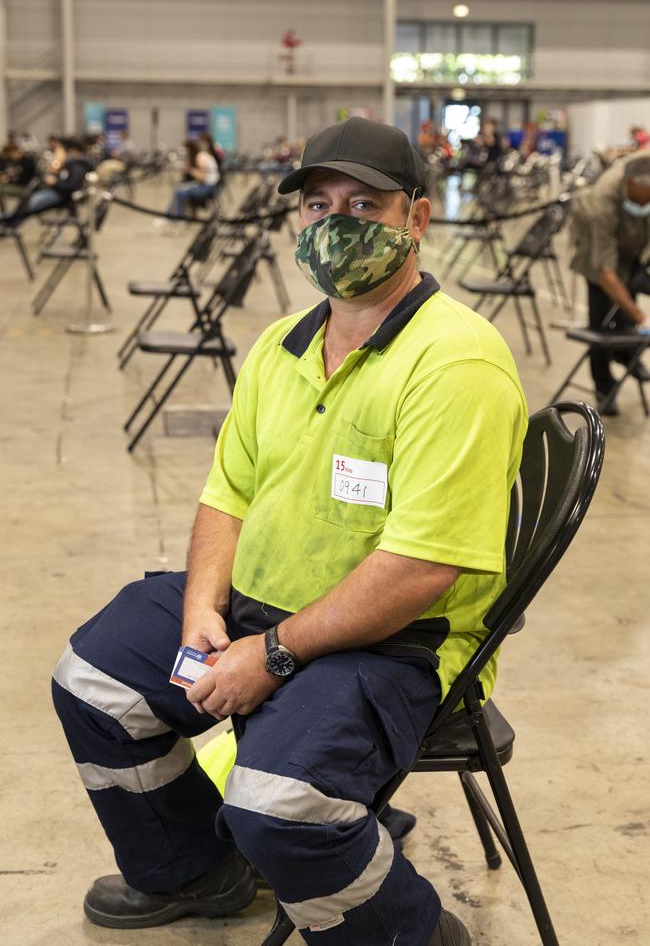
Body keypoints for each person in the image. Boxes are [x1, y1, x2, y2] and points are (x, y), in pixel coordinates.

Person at [52, 117, 528, 945]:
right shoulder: (283, 344)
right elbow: (227, 493)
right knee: (94, 681)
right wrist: (204, 610)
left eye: (364, 205)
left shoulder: (456, 363)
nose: (334, 223)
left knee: (282, 805)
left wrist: (271, 656)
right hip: (253, 602)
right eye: (317, 205)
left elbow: (421, 568)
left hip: (393, 640)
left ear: (417, 219)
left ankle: (407, 932)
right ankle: (194, 870)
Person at [569, 152, 650, 414]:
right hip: (598, 258)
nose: (643, 204)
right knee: (601, 324)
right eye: (638, 200)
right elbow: (605, 272)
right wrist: (641, 318)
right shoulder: (603, 202)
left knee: (628, 307)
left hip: (632, 250)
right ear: (627, 187)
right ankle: (604, 386)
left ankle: (627, 352)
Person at [11, 136, 90, 218]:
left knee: (31, 202)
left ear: (71, 150)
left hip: (62, 195)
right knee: (28, 200)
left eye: (61, 149)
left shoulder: (78, 166)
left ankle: (13, 221)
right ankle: (13, 220)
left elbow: (72, 187)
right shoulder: (73, 164)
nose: (59, 152)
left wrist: (55, 183)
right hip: (59, 192)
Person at [165, 137, 219, 218]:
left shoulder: (200, 157)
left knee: (180, 193)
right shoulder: (202, 155)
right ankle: (170, 216)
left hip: (208, 187)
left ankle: (177, 218)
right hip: (209, 185)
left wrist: (191, 170)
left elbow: (203, 177)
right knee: (179, 189)